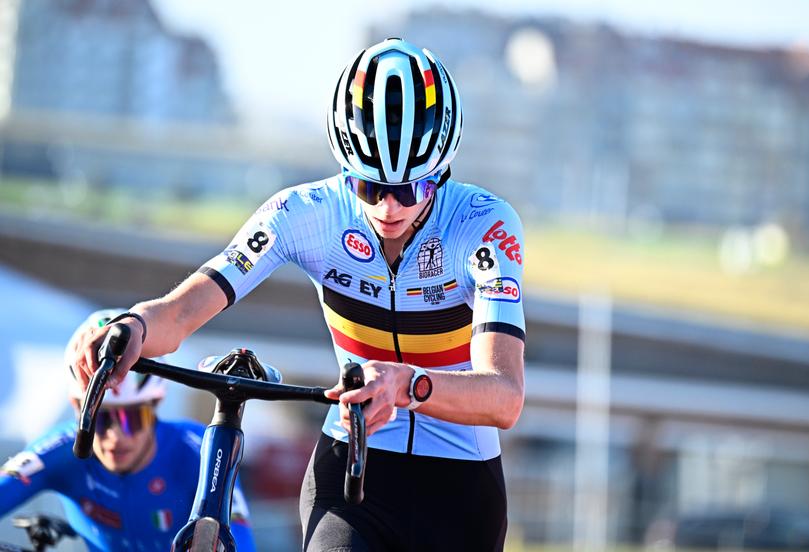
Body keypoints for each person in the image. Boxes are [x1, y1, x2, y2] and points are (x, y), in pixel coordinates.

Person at [72, 37, 525, 552]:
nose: (389, 208)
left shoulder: (484, 225)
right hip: (353, 472)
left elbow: (504, 397)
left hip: (460, 487)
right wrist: (130, 325)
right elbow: (179, 314)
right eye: (370, 188)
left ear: (441, 174)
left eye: (411, 189)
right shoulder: (305, 214)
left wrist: (406, 385)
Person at [2, 309, 256, 552]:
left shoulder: (201, 449)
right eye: (99, 420)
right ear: (77, 409)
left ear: (156, 406)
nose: (117, 436)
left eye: (132, 419)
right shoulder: (58, 448)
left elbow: (241, 542)